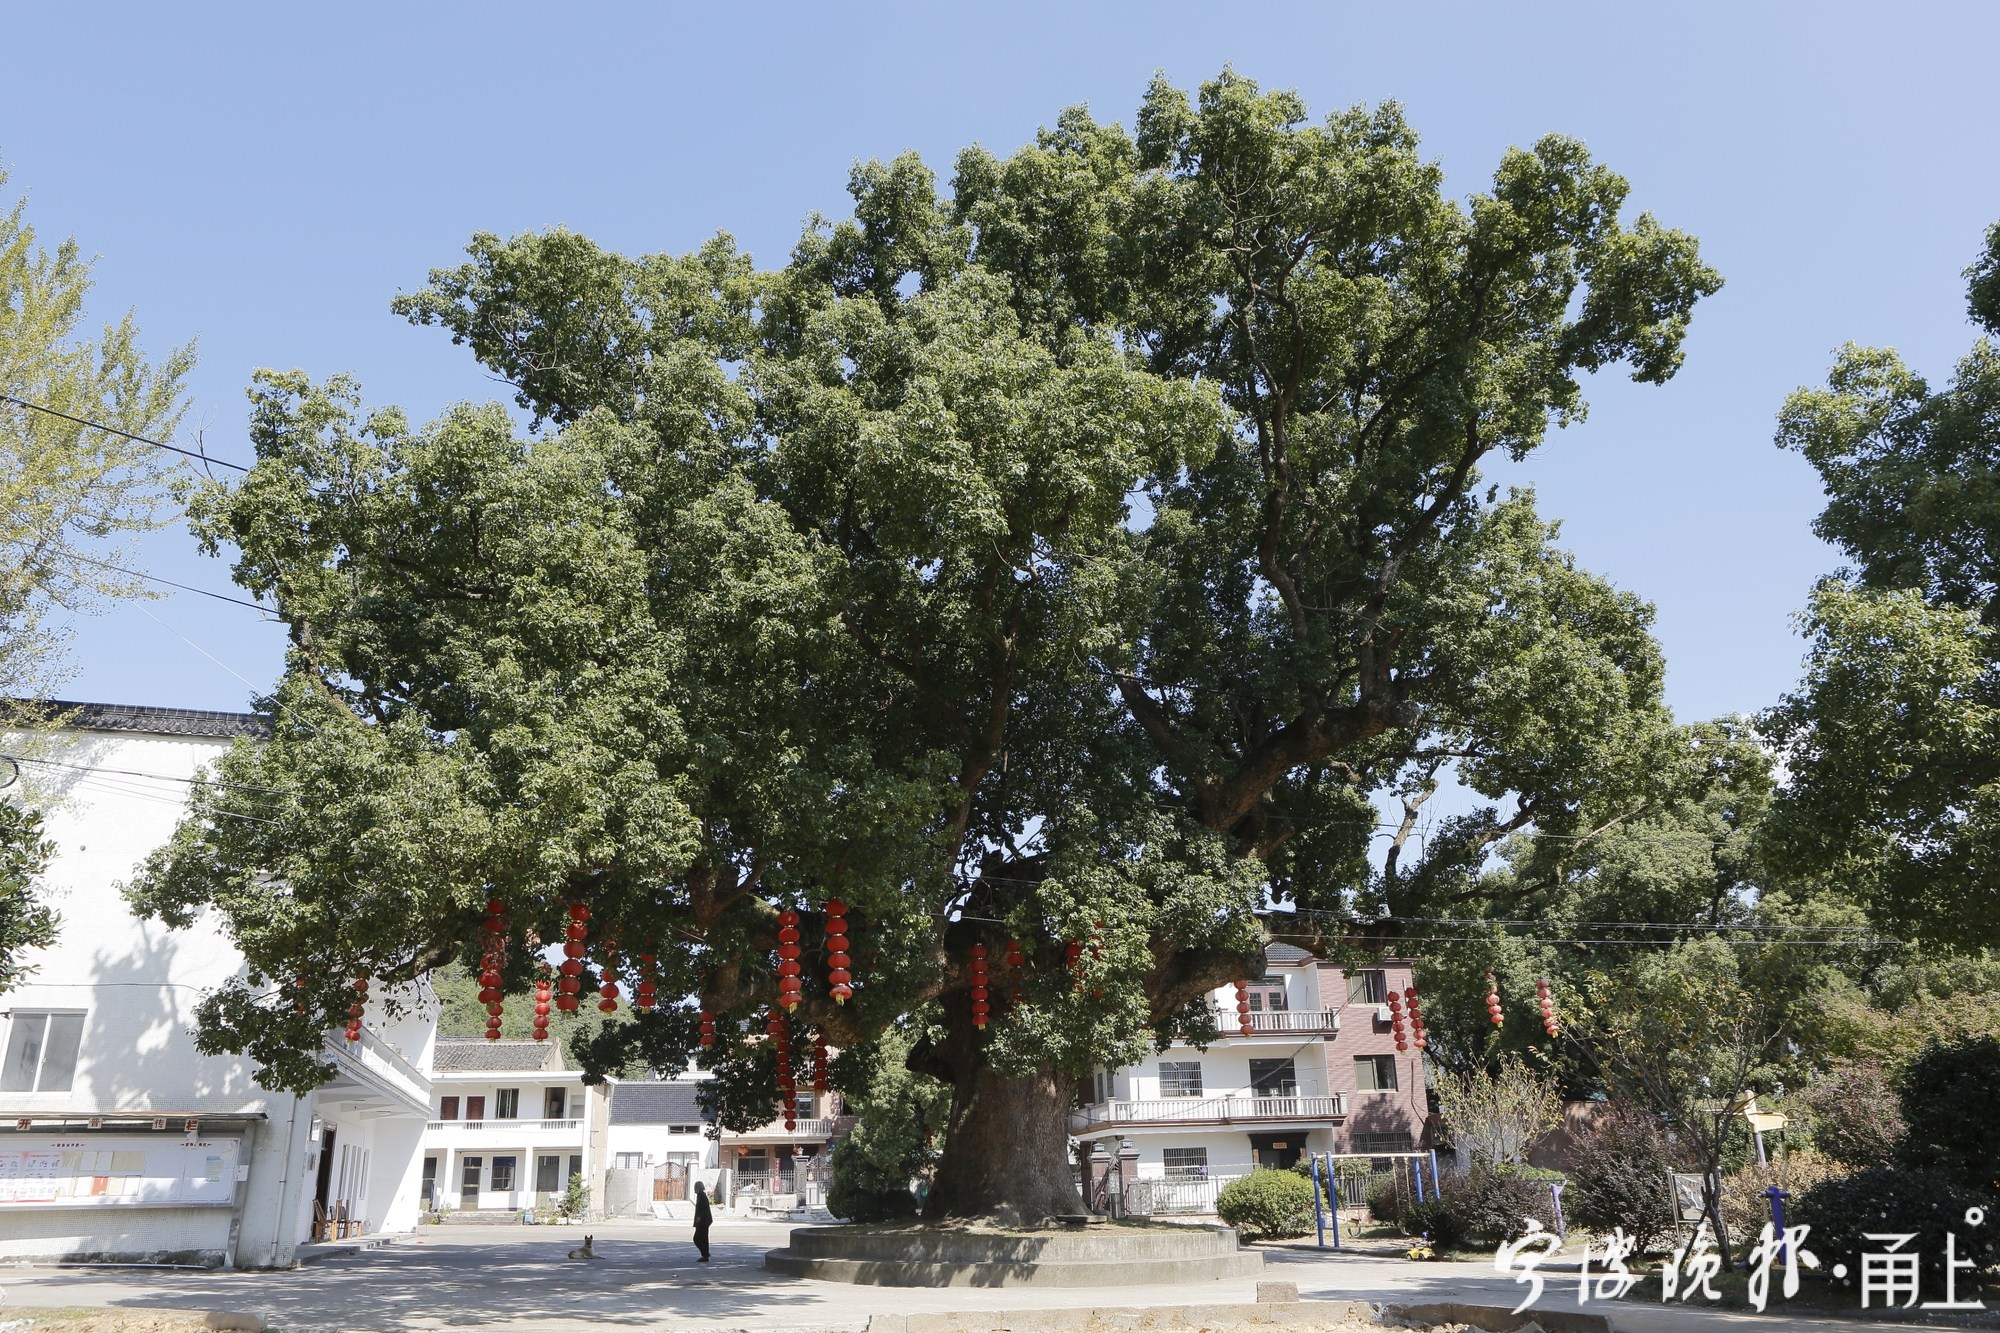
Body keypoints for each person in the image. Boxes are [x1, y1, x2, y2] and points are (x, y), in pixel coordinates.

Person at [692, 1180, 713, 1262]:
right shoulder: (701, 1195)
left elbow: (703, 1209)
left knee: (697, 1239)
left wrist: (699, 1218)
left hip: (702, 1221)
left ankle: (705, 1254)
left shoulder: (701, 1196)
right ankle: (705, 1254)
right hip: (704, 1221)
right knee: (703, 1238)